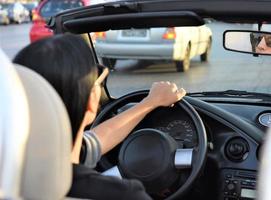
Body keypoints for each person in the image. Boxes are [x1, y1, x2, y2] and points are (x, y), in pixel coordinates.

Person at [13, 34, 186, 199]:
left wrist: (149, 103)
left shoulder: (14, 171)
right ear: (91, 102)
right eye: (99, 81)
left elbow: (98, 137)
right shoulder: (122, 195)